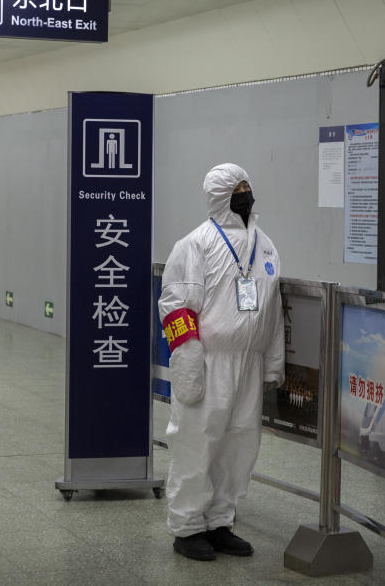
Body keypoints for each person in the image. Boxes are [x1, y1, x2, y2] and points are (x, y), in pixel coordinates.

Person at [158, 163, 285, 561]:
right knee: (198, 442)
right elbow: (176, 306)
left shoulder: (265, 245)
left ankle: (219, 521)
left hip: (247, 363)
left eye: (248, 185)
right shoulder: (195, 244)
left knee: (239, 444)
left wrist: (272, 363)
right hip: (209, 363)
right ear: (219, 195)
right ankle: (187, 526)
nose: (247, 193)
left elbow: (273, 308)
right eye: (238, 187)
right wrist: (189, 361)